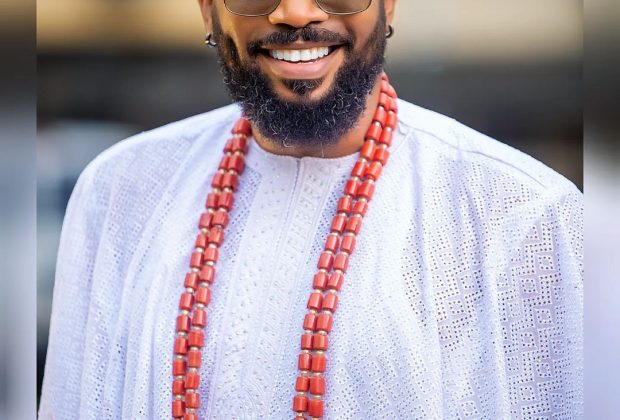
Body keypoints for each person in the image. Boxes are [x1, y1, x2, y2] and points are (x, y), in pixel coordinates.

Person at [39, 0, 583, 418]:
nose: (296, 13)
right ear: (208, 11)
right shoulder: (122, 193)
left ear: (389, 6)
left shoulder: (521, 215)